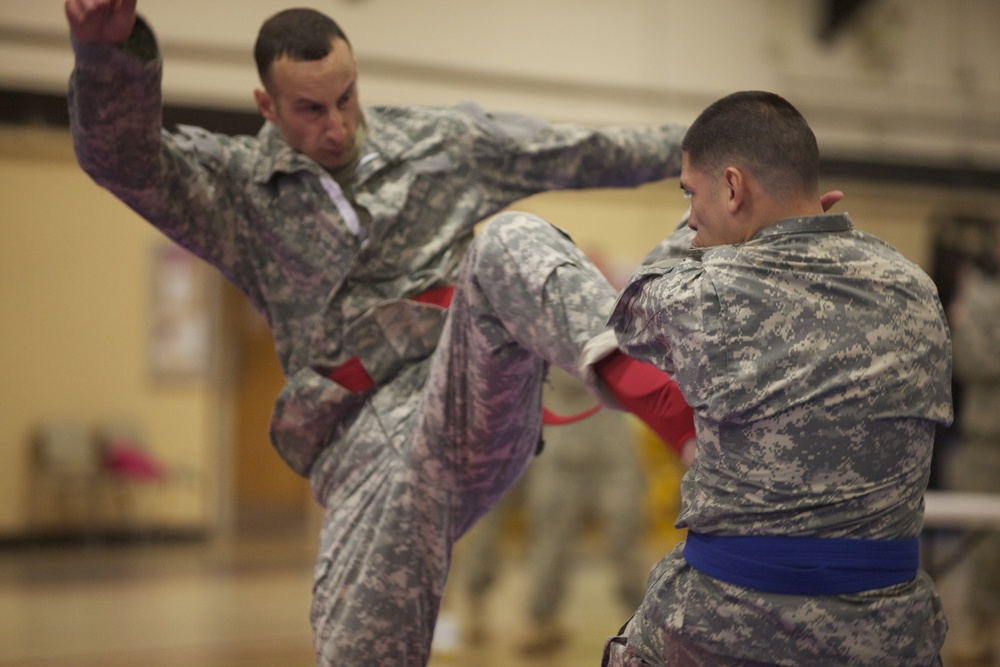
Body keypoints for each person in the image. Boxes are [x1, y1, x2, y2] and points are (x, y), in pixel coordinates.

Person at [64, 1, 697, 664]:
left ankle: (668, 408)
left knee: (511, 240)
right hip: (360, 447)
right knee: (355, 650)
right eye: (310, 109)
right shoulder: (238, 192)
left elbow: (584, 153)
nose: (336, 125)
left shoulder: (442, 146)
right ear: (267, 106)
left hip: (468, 394)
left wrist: (721, 151)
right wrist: (107, 55)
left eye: (346, 97)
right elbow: (125, 162)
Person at [599, 91, 954, 665]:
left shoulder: (709, 293)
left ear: (733, 188)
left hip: (727, 629)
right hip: (887, 637)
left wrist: (692, 243)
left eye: (691, 193)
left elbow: (632, 309)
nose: (691, 216)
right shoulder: (917, 287)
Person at [948, 228, 1000, 665]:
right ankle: (983, 634)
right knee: (984, 543)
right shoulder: (979, 298)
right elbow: (971, 360)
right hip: (989, 437)